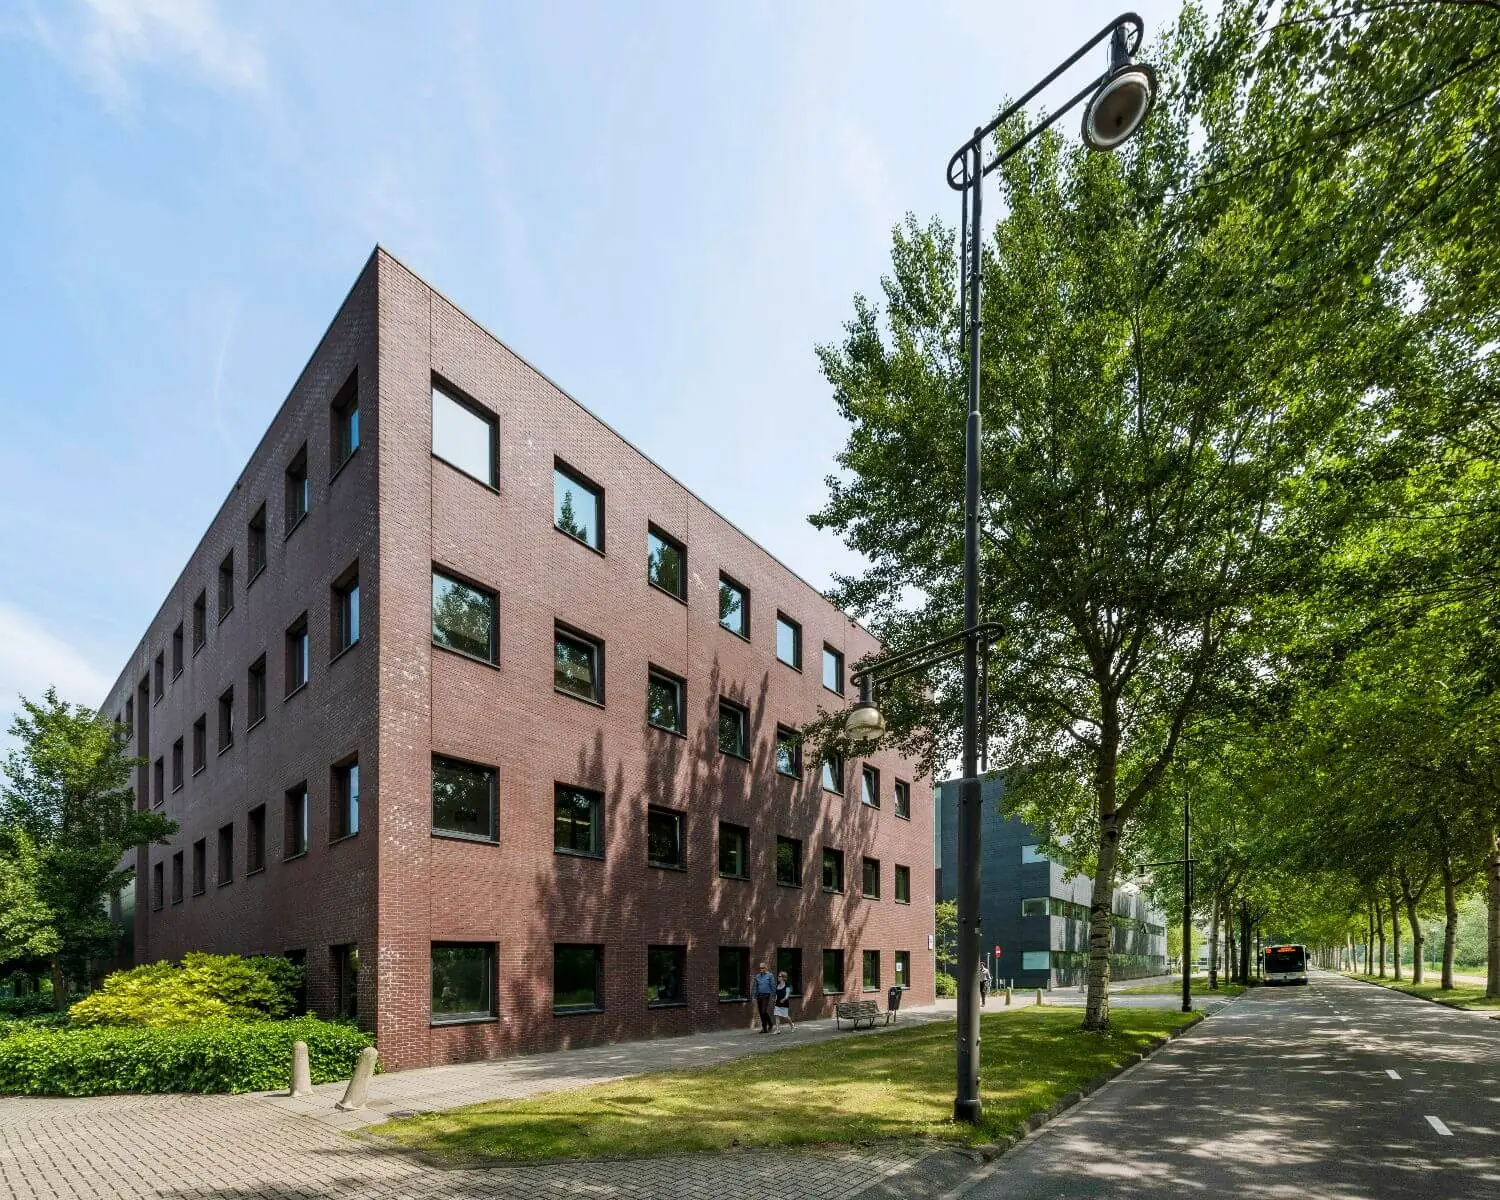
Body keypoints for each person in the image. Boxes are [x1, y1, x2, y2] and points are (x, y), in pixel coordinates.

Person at [752, 962, 777, 1033]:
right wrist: (754, 996)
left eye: (762, 968)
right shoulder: (757, 976)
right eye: (760, 968)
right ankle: (764, 1028)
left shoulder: (770, 975)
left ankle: (770, 1024)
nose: (761, 969)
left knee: (763, 1011)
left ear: (766, 968)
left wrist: (773, 996)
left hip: (766, 996)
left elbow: (772, 986)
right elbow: (755, 987)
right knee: (761, 1012)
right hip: (759, 996)